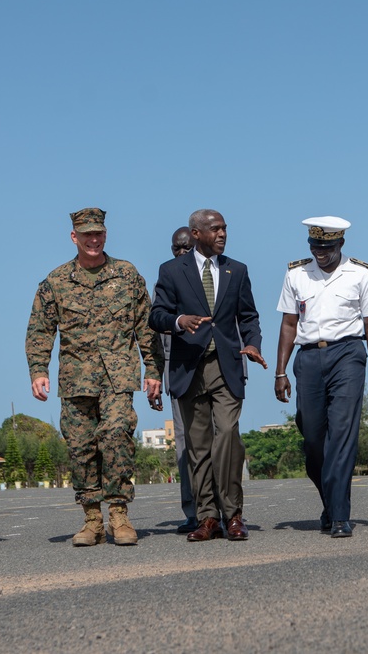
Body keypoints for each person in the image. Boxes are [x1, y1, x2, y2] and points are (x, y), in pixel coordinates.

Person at [26, 208, 162, 547]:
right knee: (81, 447)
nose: (93, 239)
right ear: (74, 237)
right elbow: (40, 329)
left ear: (105, 234)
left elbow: (146, 326)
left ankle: (118, 512)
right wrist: (38, 370)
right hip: (75, 380)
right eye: (86, 234)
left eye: (98, 233)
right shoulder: (56, 281)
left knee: (116, 434)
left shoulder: (126, 274)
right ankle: (91, 519)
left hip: (118, 376)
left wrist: (153, 370)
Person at [149, 209, 265, 542]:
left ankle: (234, 515)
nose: (222, 234)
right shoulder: (171, 271)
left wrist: (253, 344)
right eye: (215, 229)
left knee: (227, 435)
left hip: (226, 366)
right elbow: (157, 315)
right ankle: (207, 517)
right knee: (198, 447)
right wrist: (179, 320)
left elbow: (249, 317)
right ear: (196, 233)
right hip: (188, 367)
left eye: (224, 228)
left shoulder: (236, 270)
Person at [274, 217, 368, 538]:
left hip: (348, 355)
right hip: (307, 358)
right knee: (313, 441)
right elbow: (288, 324)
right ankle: (330, 501)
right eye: (314, 247)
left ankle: (340, 516)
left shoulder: (362, 274)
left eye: (327, 248)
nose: (320, 253)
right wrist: (280, 371)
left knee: (341, 435)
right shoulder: (296, 273)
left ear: (341, 245)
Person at [158, 226, 199, 533]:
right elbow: (156, 329)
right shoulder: (168, 279)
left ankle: (225, 509)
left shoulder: (216, 273)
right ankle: (193, 511)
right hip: (179, 374)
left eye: (187, 247)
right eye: (177, 249)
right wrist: (156, 379)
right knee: (184, 446)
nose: (182, 253)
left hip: (218, 371)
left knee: (221, 440)